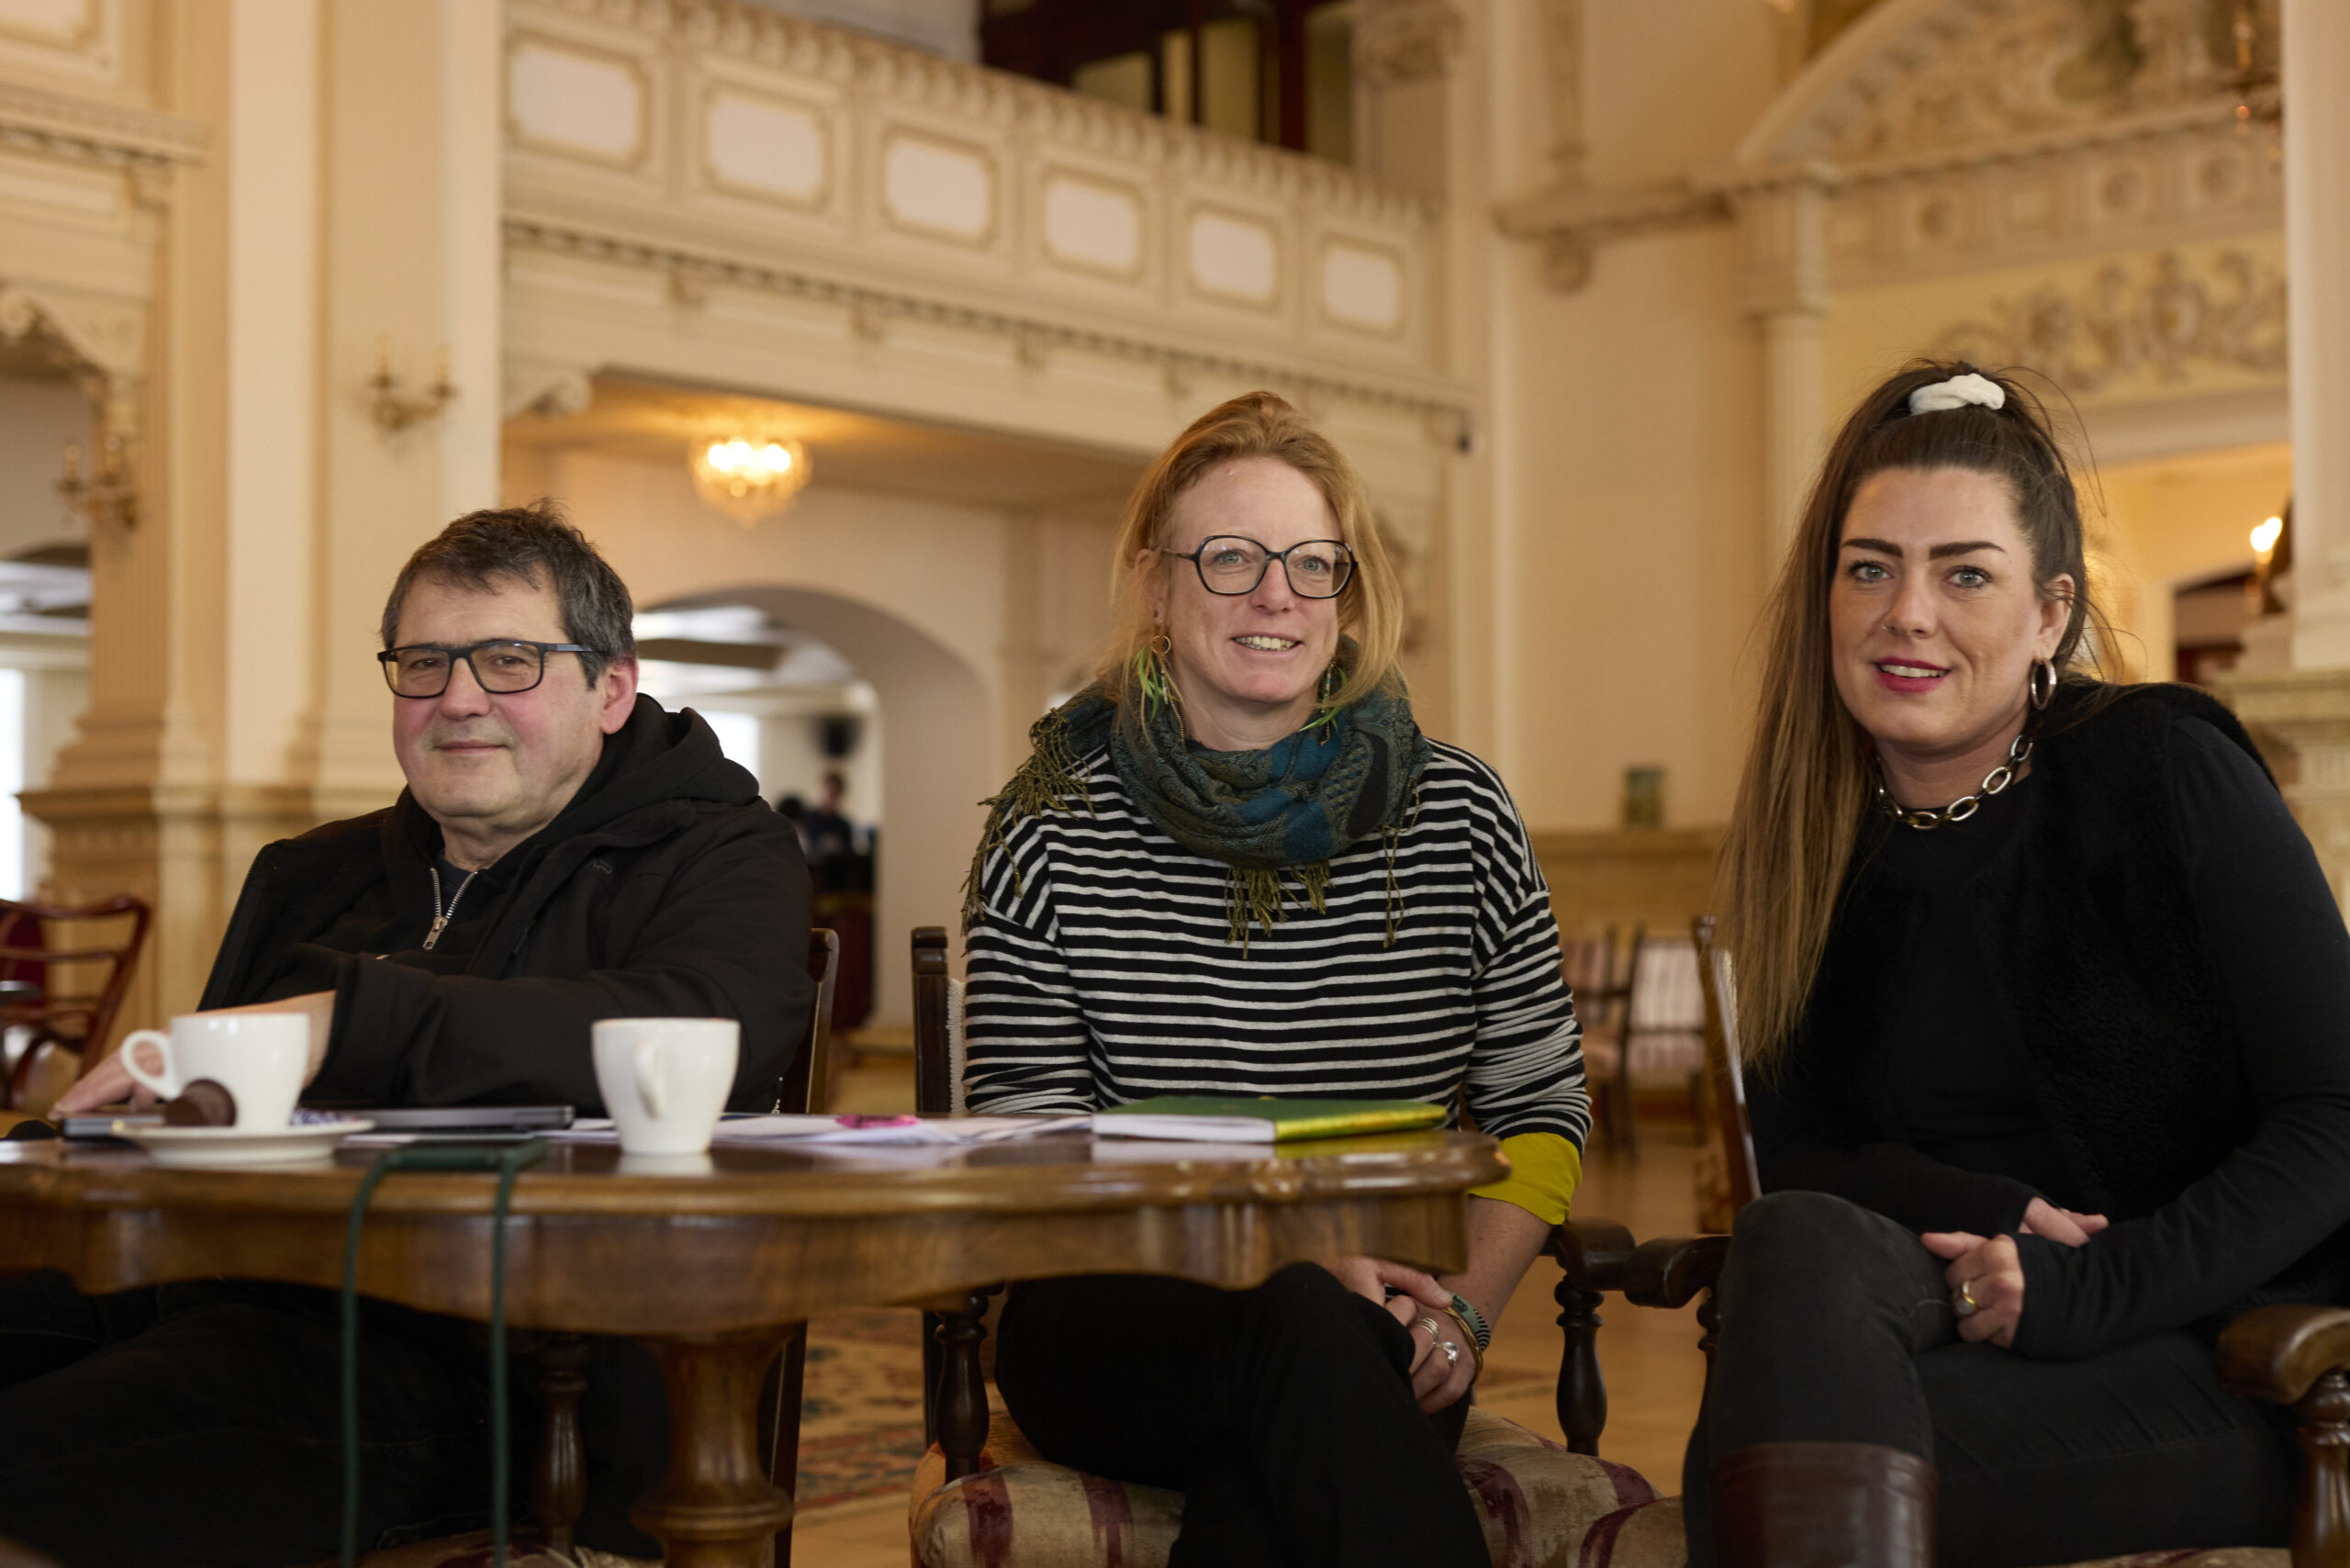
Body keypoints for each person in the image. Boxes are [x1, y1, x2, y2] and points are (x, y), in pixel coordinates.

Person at [5, 503, 813, 1565]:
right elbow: (209, 1132)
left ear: (611, 689)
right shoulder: (312, 871)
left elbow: (706, 1025)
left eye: (510, 660)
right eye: (424, 663)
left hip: (500, 1368)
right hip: (213, 1288)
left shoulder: (719, 852)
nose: (458, 698)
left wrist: (347, 1020)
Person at [1691, 362, 2350, 1566]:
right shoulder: (1811, 846)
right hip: (1954, 1328)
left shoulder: (2160, 769)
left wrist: (2080, 1286)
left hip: (2237, 1358)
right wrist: (1985, 1213)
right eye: (1870, 568)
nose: (1907, 613)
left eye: (1965, 574)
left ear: (2050, 613)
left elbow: (2336, 1115)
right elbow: (1794, 1155)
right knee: (1797, 1248)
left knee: (1763, 1472)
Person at [962, 391, 1590, 1568]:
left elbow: (1540, 1104)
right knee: (1304, 1314)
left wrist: (1461, 1311)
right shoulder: (1052, 822)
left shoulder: (1458, 811)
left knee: (1268, 1473)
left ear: (1345, 593)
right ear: (1155, 587)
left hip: (1388, 1316)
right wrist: (1281, 1239)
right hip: (1113, 1311)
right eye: (1231, 558)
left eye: (1312, 562)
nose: (1277, 595)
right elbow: (1027, 1143)